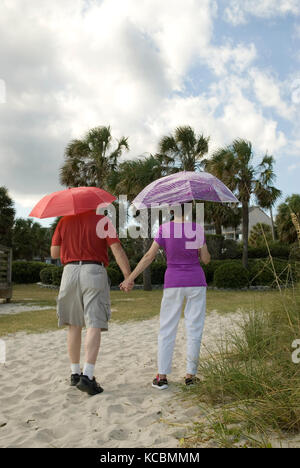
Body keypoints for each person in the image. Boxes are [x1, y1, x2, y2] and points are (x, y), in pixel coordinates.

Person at [120, 204, 211, 389]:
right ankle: (190, 376)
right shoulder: (196, 229)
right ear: (188, 210)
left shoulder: (164, 229)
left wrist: (130, 278)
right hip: (196, 281)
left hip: (173, 282)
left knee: (167, 328)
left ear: (171, 210)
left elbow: (148, 256)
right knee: (195, 328)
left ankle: (161, 377)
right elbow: (206, 259)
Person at [51, 210, 131, 396]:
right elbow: (117, 249)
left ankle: (74, 373)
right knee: (94, 323)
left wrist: (72, 244)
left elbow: (54, 253)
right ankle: (87, 376)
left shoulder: (64, 220)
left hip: (69, 272)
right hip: (93, 270)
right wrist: (128, 276)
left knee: (73, 324)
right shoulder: (102, 220)